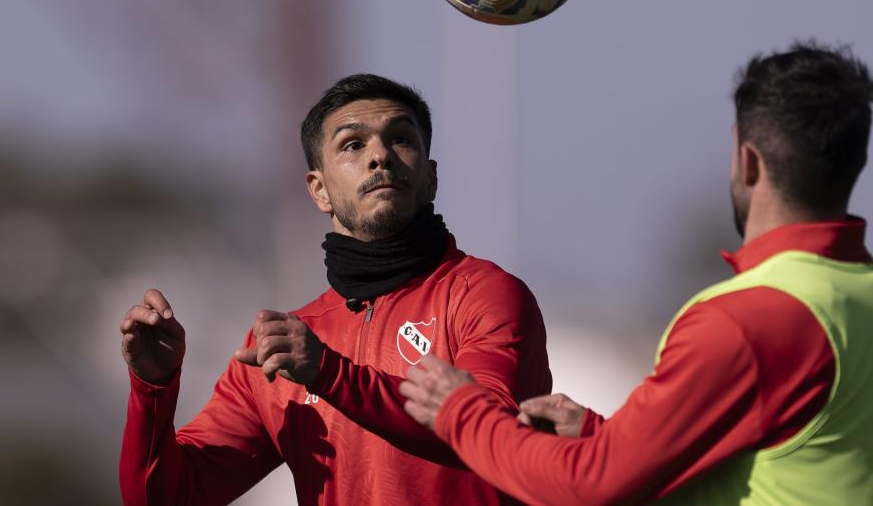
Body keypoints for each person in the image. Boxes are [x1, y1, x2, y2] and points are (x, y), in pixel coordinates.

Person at [399, 41, 873, 505]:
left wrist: (460, 411)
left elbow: (591, 488)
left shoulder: (750, 320)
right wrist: (601, 437)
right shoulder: (869, 288)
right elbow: (792, 466)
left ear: (748, 160)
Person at [118, 74, 552, 505]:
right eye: (353, 144)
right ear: (319, 189)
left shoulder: (485, 294)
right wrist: (153, 388)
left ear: (431, 178)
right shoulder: (280, 350)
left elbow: (486, 429)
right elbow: (163, 498)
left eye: (400, 138)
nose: (380, 155)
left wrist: (329, 373)